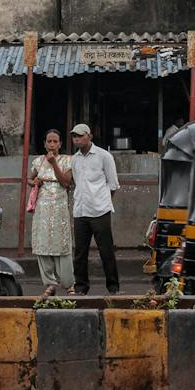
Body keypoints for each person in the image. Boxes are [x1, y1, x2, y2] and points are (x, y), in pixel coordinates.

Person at [68, 123, 121, 296]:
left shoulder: (104, 156)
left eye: (80, 135)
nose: (76, 138)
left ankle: (113, 288)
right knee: (80, 253)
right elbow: (76, 183)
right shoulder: (74, 159)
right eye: (74, 135)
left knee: (106, 251)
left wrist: (102, 202)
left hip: (100, 211)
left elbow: (113, 184)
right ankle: (81, 288)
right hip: (80, 212)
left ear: (89, 136)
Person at [29, 129, 75, 297]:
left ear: (60, 144)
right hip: (42, 209)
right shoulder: (38, 161)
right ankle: (50, 283)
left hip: (59, 208)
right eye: (49, 141)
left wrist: (54, 162)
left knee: (62, 244)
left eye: (55, 141)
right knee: (43, 244)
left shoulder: (67, 160)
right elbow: (29, 179)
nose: (52, 144)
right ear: (45, 144)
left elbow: (66, 183)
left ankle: (69, 284)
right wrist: (34, 181)